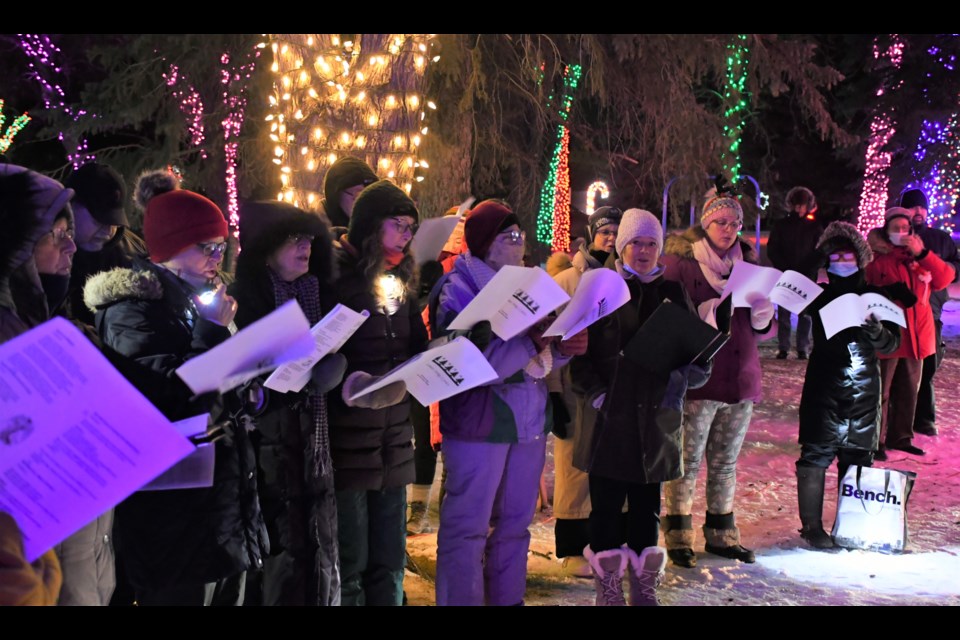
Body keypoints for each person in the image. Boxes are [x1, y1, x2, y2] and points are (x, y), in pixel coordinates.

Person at [83, 182, 268, 606]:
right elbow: (170, 397)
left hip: (222, 508)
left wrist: (253, 391)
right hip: (175, 518)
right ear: (169, 246)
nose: (217, 259)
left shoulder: (205, 299)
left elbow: (221, 384)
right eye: (207, 247)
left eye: (223, 247)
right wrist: (213, 331)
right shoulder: (131, 308)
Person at [433, 200, 585, 606]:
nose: (518, 245)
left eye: (520, 237)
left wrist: (566, 345)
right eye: (508, 237)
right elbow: (468, 365)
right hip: (478, 423)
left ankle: (507, 599)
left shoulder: (530, 284)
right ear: (483, 242)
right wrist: (533, 341)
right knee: (466, 527)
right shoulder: (458, 288)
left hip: (528, 421)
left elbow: (542, 353)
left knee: (516, 525)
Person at [571, 208, 708, 606]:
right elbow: (577, 354)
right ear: (620, 245)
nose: (643, 251)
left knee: (647, 510)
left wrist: (677, 384)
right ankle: (609, 591)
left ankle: (644, 590)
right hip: (609, 418)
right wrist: (596, 393)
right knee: (607, 509)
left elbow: (697, 360)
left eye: (651, 243)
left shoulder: (673, 293)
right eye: (635, 242)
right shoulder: (600, 287)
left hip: (655, 421)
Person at [229, 201, 345, 606]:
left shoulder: (318, 292)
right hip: (267, 451)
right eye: (294, 239)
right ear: (266, 246)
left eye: (310, 239)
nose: (305, 248)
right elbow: (238, 379)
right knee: (279, 559)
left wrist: (334, 368)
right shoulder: (242, 302)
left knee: (318, 552)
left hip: (314, 445)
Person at [661, 185, 774, 568]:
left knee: (725, 464)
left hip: (741, 379)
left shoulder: (751, 267)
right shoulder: (682, 264)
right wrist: (702, 313)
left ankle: (722, 534)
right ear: (706, 224)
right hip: (698, 380)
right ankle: (678, 535)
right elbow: (666, 318)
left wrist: (763, 315)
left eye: (735, 223)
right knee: (687, 462)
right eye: (720, 222)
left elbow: (762, 330)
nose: (728, 229)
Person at [328, 179, 428, 606]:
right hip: (349, 441)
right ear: (370, 225)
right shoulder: (334, 276)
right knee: (351, 562)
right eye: (398, 224)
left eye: (411, 227)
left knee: (389, 560)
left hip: (393, 439)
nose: (406, 235)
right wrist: (348, 380)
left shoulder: (400, 280)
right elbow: (318, 353)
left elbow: (414, 344)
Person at [795, 222, 900, 548]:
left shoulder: (876, 295)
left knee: (858, 456)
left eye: (848, 255)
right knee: (816, 452)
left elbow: (892, 344)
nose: (843, 261)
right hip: (825, 384)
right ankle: (812, 528)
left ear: (861, 259)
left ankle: (850, 525)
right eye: (835, 256)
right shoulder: (819, 296)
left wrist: (877, 333)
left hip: (864, 388)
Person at [545, 205, 623, 578]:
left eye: (616, 232)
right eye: (605, 231)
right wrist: (554, 393)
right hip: (572, 386)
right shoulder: (566, 281)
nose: (610, 238)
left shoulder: (624, 277)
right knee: (574, 466)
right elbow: (551, 336)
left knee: (610, 465)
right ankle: (574, 545)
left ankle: (607, 539)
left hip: (612, 385)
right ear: (591, 234)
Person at [865, 207, 954, 458]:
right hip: (890, 337)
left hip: (918, 335)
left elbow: (945, 278)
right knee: (882, 392)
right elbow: (867, 289)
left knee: (909, 390)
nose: (902, 233)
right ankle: (876, 442)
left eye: (906, 229)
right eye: (897, 228)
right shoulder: (877, 259)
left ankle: (901, 437)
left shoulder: (919, 258)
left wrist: (923, 253)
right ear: (887, 230)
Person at [898, 188, 960, 436]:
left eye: (922, 207)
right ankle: (898, 418)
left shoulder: (940, 238)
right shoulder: (896, 235)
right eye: (913, 207)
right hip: (900, 311)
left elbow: (956, 265)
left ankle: (924, 418)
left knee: (928, 365)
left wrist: (941, 270)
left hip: (931, 310)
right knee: (902, 367)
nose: (918, 211)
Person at [62, 162, 148, 325]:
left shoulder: (134, 254)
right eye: (99, 219)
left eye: (115, 221)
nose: (108, 231)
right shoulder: (39, 252)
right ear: (70, 204)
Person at [767, 186, 823, 359]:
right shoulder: (781, 225)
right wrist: (783, 267)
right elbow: (773, 248)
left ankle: (802, 347)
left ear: (808, 205)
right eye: (796, 205)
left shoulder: (814, 227)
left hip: (807, 276)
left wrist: (810, 269)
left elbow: (820, 251)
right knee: (784, 313)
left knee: (805, 314)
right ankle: (784, 346)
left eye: (802, 205)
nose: (799, 208)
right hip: (785, 275)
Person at [320, 156, 378, 232]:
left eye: (368, 195)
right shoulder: (314, 236)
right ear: (337, 196)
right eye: (357, 195)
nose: (363, 203)